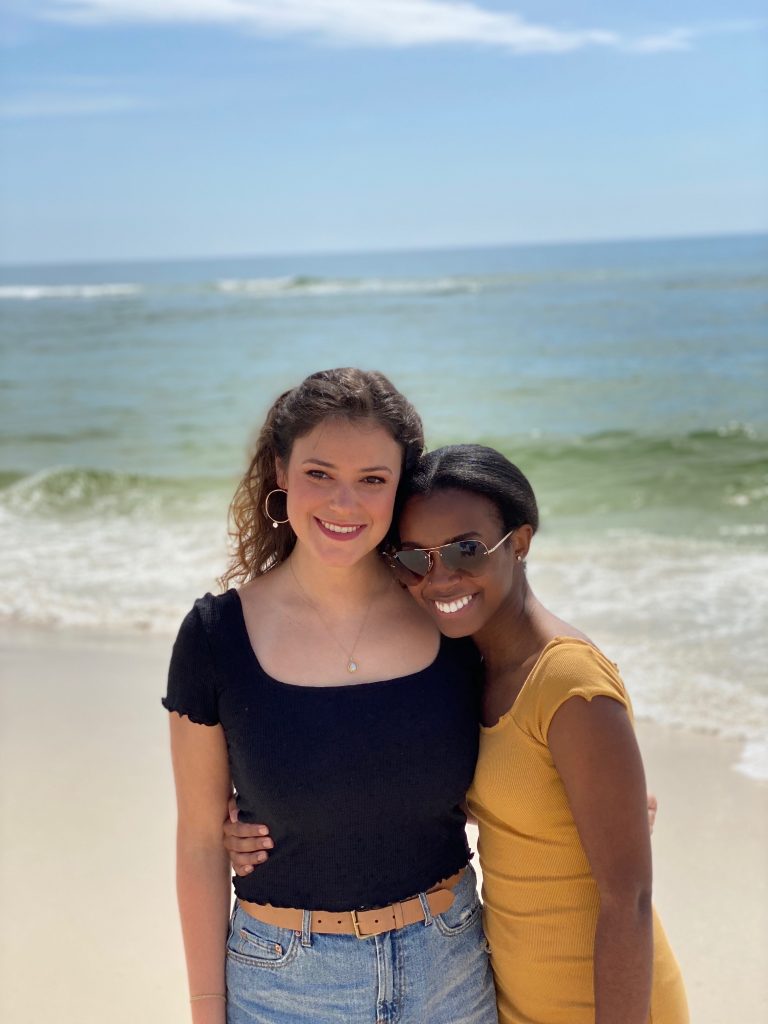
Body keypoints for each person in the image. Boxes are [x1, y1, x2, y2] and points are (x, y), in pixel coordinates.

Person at [226, 443, 689, 1024]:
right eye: (416, 558)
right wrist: (254, 820)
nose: (441, 578)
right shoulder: (467, 669)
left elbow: (631, 901)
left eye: (466, 550)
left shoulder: (570, 684)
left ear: (519, 544)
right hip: (510, 1001)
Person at [162, 369, 498, 1024]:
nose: (345, 503)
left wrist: (599, 779)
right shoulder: (214, 637)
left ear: (401, 488)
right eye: (320, 474)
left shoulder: (450, 617)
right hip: (283, 981)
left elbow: (530, 731)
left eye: (373, 479)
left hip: (451, 965)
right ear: (281, 471)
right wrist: (207, 1010)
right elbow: (201, 842)